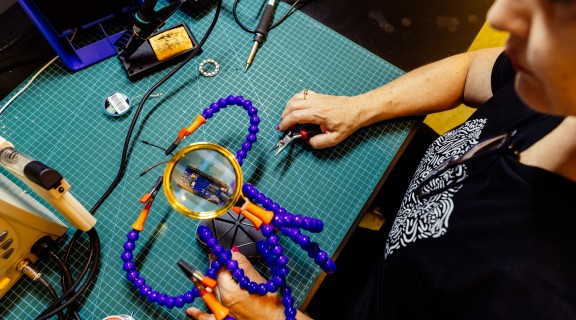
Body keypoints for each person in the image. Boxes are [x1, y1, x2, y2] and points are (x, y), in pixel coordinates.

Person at [187, 0, 576, 318]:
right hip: (397, 261)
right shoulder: (551, 83)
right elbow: (471, 69)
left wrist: (266, 315)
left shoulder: (538, 295)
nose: (504, 15)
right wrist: (360, 108)